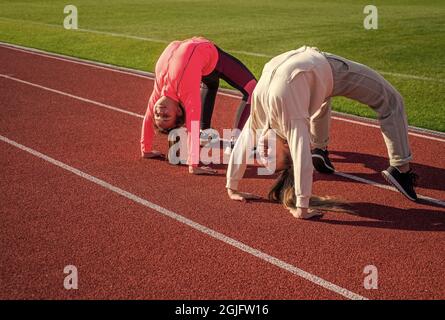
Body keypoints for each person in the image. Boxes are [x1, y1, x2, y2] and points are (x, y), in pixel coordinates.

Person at [226, 46, 418, 219]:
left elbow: (243, 141)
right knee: (392, 101)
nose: (262, 156)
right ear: (287, 146)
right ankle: (401, 169)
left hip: (310, 80)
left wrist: (232, 186)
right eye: (271, 158)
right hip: (332, 72)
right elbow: (301, 156)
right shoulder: (290, 119)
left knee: (318, 100)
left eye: (262, 157)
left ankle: (320, 148)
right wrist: (302, 206)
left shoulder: (262, 119)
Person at [140, 37, 257, 174]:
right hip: (214, 60)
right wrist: (193, 164)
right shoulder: (186, 90)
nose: (160, 111)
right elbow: (192, 125)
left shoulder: (159, 91)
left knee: (210, 83)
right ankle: (236, 142)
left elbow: (148, 117)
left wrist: (146, 149)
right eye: (166, 116)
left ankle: (204, 133)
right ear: (178, 111)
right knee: (253, 89)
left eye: (158, 115)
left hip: (201, 62)